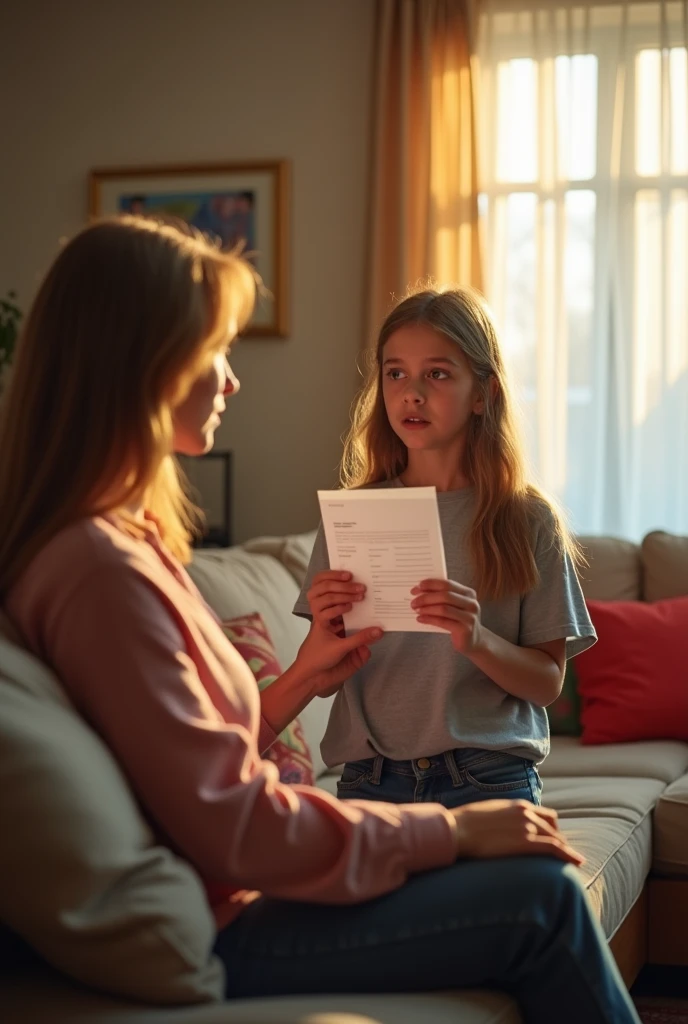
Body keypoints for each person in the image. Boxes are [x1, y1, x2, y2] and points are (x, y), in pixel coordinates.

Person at [0, 218, 639, 1024]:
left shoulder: (122, 547)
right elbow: (228, 817)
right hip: (221, 914)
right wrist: (456, 836)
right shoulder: (94, 570)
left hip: (386, 811)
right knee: (543, 900)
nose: (233, 381)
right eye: (215, 352)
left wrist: (307, 675)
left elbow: (187, 762)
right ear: (145, 366)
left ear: (482, 391)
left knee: (540, 891)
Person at [295, 287, 596, 810]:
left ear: (483, 393)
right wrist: (327, 633)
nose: (411, 393)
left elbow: (548, 683)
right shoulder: (350, 515)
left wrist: (477, 639)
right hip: (369, 779)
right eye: (395, 373)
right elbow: (321, 681)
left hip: (488, 772)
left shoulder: (526, 519)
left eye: (436, 373)